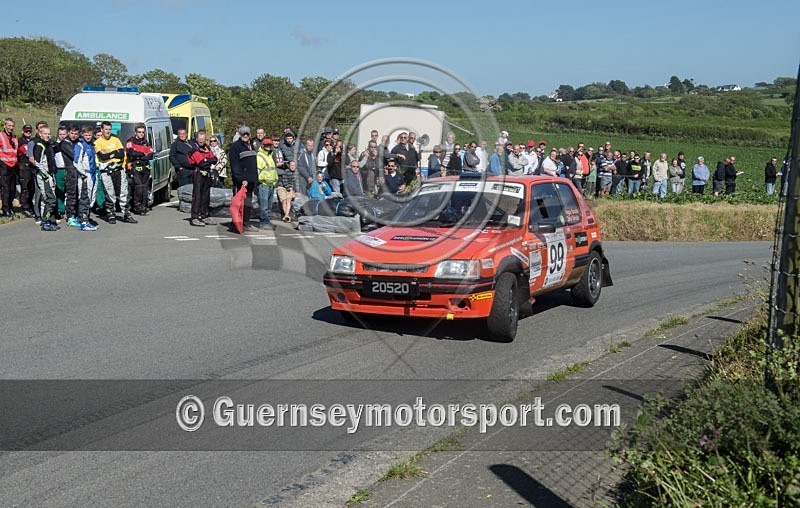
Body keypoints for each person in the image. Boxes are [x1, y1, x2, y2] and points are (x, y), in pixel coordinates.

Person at [95, 121, 134, 224]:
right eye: (106, 129)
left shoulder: (115, 139)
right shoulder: (98, 142)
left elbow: (121, 153)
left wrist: (109, 154)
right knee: (110, 194)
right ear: (102, 130)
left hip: (118, 170)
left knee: (124, 193)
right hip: (106, 171)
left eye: (109, 129)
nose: (108, 131)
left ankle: (126, 214)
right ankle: (111, 215)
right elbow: (102, 156)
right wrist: (114, 153)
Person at [229, 125, 259, 232]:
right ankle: (236, 224)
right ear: (240, 135)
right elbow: (235, 165)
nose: (245, 136)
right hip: (241, 181)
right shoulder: (235, 147)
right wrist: (241, 179)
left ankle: (245, 223)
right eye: (243, 134)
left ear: (250, 135)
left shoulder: (251, 146)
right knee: (238, 203)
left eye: (247, 134)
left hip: (251, 180)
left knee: (247, 203)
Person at [31, 126, 59, 231]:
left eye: (49, 133)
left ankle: (48, 220)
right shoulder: (39, 145)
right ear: (40, 134)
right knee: (50, 199)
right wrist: (44, 176)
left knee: (48, 199)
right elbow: (37, 163)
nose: (47, 135)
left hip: (50, 175)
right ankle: (45, 221)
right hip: (44, 177)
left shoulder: (48, 145)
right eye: (45, 133)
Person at [187, 131, 217, 227]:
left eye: (203, 139)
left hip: (207, 173)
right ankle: (195, 217)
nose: (201, 141)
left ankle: (204, 215)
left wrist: (206, 160)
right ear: (197, 139)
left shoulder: (207, 148)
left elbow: (215, 159)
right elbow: (200, 163)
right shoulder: (194, 149)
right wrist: (208, 160)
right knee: (197, 195)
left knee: (206, 195)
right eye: (200, 139)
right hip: (198, 173)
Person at [72, 125, 99, 230]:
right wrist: (83, 174)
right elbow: (76, 162)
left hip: (93, 174)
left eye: (90, 135)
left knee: (91, 198)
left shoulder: (91, 145)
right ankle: (83, 221)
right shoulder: (80, 145)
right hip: (85, 175)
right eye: (86, 135)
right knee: (84, 197)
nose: (88, 137)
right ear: (82, 135)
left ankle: (87, 217)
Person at [125, 123, 154, 216]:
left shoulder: (146, 143)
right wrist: (143, 154)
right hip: (134, 167)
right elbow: (132, 153)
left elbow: (150, 155)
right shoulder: (130, 141)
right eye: (139, 132)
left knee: (145, 187)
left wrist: (140, 156)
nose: (141, 134)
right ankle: (137, 207)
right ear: (135, 132)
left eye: (143, 132)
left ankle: (144, 205)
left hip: (145, 167)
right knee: (138, 186)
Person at [59, 125, 80, 225]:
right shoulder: (65, 143)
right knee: (71, 194)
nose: (74, 136)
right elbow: (75, 155)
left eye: (76, 134)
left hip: (79, 171)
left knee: (78, 194)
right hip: (71, 171)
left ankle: (76, 214)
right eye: (72, 133)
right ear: (68, 133)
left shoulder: (78, 142)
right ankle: (70, 216)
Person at [255, 138, 278, 230]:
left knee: (269, 205)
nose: (268, 147)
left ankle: (267, 222)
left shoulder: (270, 155)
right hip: (264, 184)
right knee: (264, 205)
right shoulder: (260, 156)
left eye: (269, 145)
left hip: (271, 184)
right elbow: (257, 172)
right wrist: (263, 179)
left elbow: (273, 169)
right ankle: (263, 223)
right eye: (266, 145)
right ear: (263, 146)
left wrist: (275, 180)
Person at [0, 118, 19, 217]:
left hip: (13, 165)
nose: (11, 128)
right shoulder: (1, 135)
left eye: (12, 126)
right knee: (5, 188)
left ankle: (10, 207)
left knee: (12, 189)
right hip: (4, 165)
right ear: (5, 125)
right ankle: (5, 208)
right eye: (9, 125)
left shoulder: (14, 137)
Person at [16, 124, 35, 217]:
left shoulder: (31, 141)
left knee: (32, 188)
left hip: (31, 167)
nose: (28, 133)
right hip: (23, 167)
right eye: (26, 131)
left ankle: (30, 206)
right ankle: (25, 207)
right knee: (25, 188)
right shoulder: (19, 142)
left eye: (29, 131)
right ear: (22, 131)